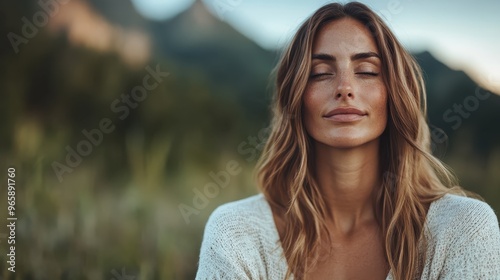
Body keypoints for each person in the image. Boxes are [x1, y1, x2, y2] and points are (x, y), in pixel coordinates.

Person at [195, 2, 500, 279]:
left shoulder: (462, 229)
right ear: (296, 98)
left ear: (394, 93)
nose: (344, 88)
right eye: (319, 73)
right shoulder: (236, 233)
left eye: (367, 71)